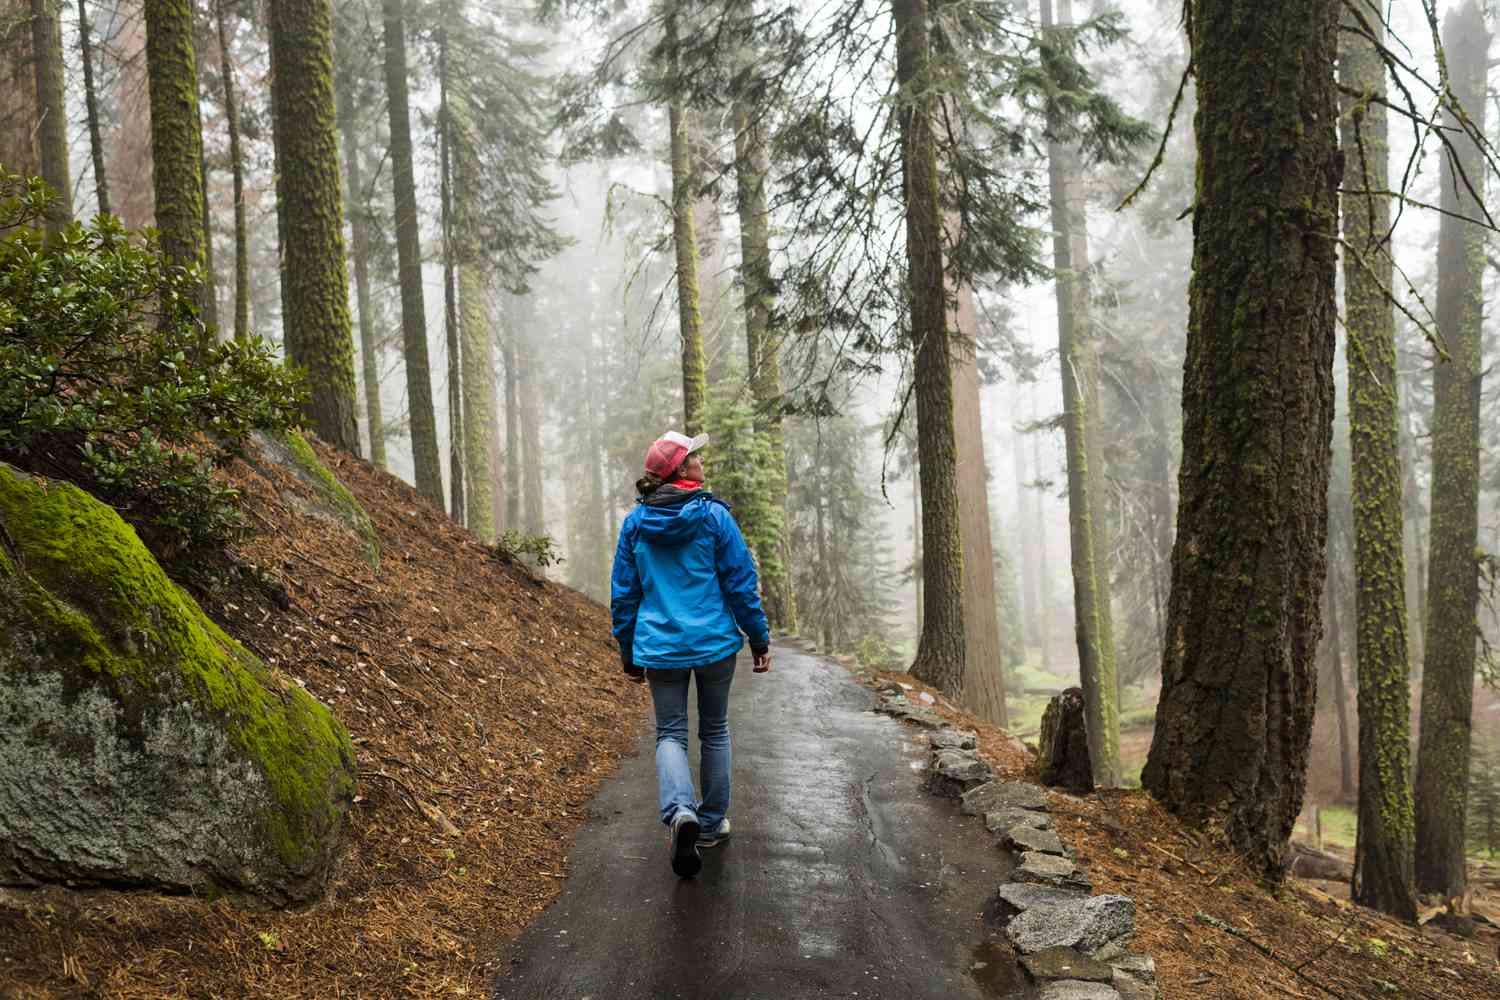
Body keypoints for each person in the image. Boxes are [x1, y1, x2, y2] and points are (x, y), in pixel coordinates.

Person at [610, 430, 772, 878]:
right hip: (715, 644)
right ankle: (710, 822)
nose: (702, 462)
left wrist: (628, 650)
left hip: (660, 648)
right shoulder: (715, 518)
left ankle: (680, 811)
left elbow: (625, 595)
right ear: (682, 470)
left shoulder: (635, 525)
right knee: (715, 730)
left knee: (670, 734)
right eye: (695, 457)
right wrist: (758, 638)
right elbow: (741, 582)